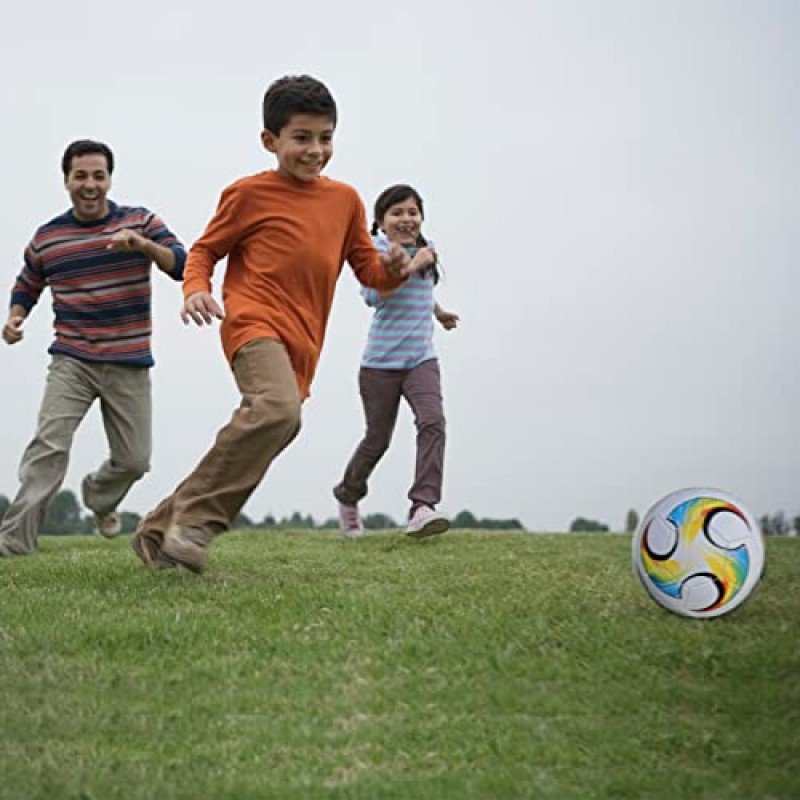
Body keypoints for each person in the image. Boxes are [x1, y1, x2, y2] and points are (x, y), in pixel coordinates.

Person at [131, 75, 419, 573]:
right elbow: (204, 251)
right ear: (271, 141)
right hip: (250, 320)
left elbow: (366, 271)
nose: (315, 150)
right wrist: (195, 288)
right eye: (302, 138)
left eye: (325, 137)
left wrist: (391, 272)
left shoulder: (346, 201)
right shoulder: (247, 194)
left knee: (274, 425)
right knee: (279, 411)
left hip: (304, 340)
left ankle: (160, 526)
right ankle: (196, 523)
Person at [0, 139, 186, 558]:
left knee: (135, 460)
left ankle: (100, 497)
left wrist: (141, 246)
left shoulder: (140, 220)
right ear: (66, 180)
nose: (90, 184)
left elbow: (181, 263)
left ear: (109, 180)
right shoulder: (49, 237)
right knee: (49, 446)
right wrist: (15, 317)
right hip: (72, 359)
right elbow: (27, 283)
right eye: (80, 175)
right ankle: (14, 541)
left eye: (98, 175)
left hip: (128, 360)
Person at [333, 184, 459, 539]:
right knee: (377, 439)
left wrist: (439, 312)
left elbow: (422, 293)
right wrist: (414, 264)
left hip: (421, 359)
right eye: (397, 213)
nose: (406, 219)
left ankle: (422, 507)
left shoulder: (427, 249)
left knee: (432, 422)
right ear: (381, 221)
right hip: (379, 364)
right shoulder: (376, 250)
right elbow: (374, 296)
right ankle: (348, 495)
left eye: (412, 212)